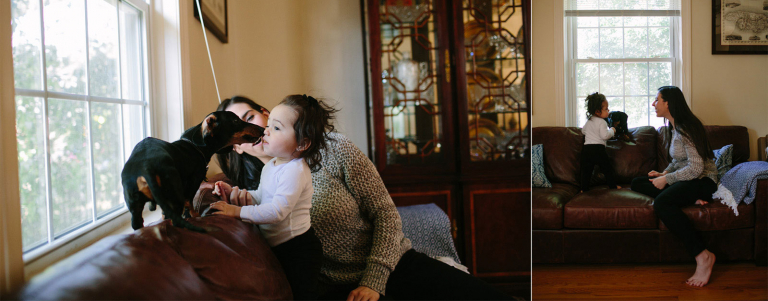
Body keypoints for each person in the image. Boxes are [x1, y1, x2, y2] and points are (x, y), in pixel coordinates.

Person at [214, 95, 511, 301]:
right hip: (335, 291)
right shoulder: (258, 187)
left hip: (392, 265)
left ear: (265, 114)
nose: (250, 129)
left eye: (250, 117)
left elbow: (385, 213)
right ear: (236, 146)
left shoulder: (333, 148)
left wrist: (374, 280)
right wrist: (235, 200)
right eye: (237, 128)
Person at [210, 94, 335, 300]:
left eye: (276, 128)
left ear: (302, 144)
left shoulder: (295, 171)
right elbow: (261, 197)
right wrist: (233, 195)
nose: (265, 131)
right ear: (237, 148)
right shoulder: (272, 165)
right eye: (269, 126)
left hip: (299, 249)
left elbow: (277, 211)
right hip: (280, 248)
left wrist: (237, 211)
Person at [630, 86, 718, 287]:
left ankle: (703, 256)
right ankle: (688, 198)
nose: (654, 104)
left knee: (662, 203)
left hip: (703, 182)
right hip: (688, 180)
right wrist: (664, 173)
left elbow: (696, 168)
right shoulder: (674, 127)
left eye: (657, 100)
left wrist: (667, 180)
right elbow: (679, 161)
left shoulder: (687, 127)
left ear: (668, 103)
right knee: (637, 182)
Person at [580, 92, 618, 191]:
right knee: (607, 169)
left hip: (587, 149)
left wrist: (591, 132)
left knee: (586, 171)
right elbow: (604, 136)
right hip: (598, 149)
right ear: (597, 111)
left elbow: (583, 131)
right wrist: (612, 130)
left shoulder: (589, 121)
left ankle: (584, 189)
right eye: (606, 109)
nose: (608, 110)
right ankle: (613, 186)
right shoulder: (602, 122)